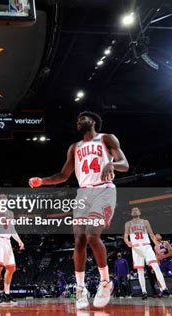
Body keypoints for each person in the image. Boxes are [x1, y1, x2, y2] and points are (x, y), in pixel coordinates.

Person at [29, 111, 129, 309]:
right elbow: (63, 175)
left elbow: (125, 165)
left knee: (92, 236)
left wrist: (111, 163)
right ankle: (80, 288)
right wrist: (43, 181)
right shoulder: (74, 147)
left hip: (103, 189)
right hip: (83, 194)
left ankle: (105, 282)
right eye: (76, 119)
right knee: (79, 240)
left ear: (92, 121)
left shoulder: (107, 138)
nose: (78, 121)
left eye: (82, 118)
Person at [0, 194, 25, 304]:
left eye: (4, 199)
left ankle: (6, 294)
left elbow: (12, 229)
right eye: (1, 199)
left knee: (11, 268)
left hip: (7, 241)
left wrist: (19, 240)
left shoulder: (10, 213)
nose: (3, 200)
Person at [124, 207, 169, 299]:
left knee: (155, 266)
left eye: (136, 209)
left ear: (140, 212)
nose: (135, 211)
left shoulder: (145, 222)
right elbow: (125, 236)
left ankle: (164, 288)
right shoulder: (128, 224)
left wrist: (158, 246)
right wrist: (127, 242)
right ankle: (144, 292)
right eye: (133, 210)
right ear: (131, 213)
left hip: (146, 246)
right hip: (136, 247)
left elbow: (152, 235)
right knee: (140, 271)